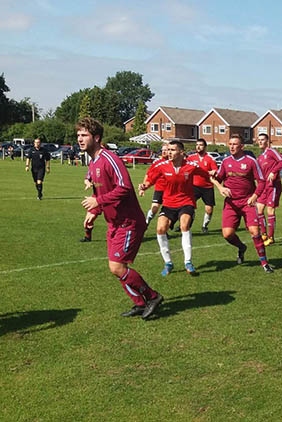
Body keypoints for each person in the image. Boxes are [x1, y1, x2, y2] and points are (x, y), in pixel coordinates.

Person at [77, 117, 163, 319]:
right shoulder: (93, 163)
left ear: (96, 137)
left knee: (117, 267)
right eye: (78, 135)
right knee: (116, 268)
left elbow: (124, 188)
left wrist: (98, 203)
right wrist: (95, 211)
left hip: (129, 222)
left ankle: (153, 297)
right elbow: (101, 193)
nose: (79, 139)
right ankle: (140, 303)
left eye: (84, 135)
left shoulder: (110, 159)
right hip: (114, 223)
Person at [139, 140, 219, 276]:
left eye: (172, 150)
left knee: (184, 225)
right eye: (168, 150)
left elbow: (208, 176)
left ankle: (188, 262)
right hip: (169, 203)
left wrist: (220, 186)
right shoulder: (162, 166)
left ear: (181, 152)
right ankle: (168, 263)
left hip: (186, 202)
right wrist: (144, 186)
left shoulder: (191, 166)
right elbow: (151, 180)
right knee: (160, 229)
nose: (169, 152)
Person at [215, 134, 274, 273]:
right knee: (227, 234)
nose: (232, 146)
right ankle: (241, 247)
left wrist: (255, 196)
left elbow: (261, 181)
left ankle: (264, 263)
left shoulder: (251, 161)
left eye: (235, 144)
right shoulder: (225, 162)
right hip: (231, 204)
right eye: (230, 144)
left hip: (247, 202)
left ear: (242, 146)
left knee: (255, 231)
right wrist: (220, 187)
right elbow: (217, 178)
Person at [255, 133, 282, 246]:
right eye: (259, 140)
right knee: (259, 209)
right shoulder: (259, 157)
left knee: (270, 210)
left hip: (273, 186)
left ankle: (271, 237)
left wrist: (274, 172)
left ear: (267, 141)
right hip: (264, 187)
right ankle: (263, 234)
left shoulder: (271, 152)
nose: (260, 142)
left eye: (263, 140)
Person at [186, 139, 218, 234]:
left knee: (209, 209)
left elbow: (215, 170)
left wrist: (213, 172)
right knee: (189, 206)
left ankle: (204, 226)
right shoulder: (191, 158)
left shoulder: (210, 158)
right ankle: (186, 225)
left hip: (207, 187)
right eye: (197, 145)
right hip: (194, 186)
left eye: (200, 145)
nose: (198, 147)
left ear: (205, 147)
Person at [142, 143, 169, 226]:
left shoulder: (173, 162)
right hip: (159, 189)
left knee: (167, 211)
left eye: (166, 150)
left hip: (170, 191)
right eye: (163, 150)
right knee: (154, 209)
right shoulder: (157, 162)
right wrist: (143, 187)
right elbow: (148, 174)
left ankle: (164, 230)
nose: (164, 152)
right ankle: (147, 221)